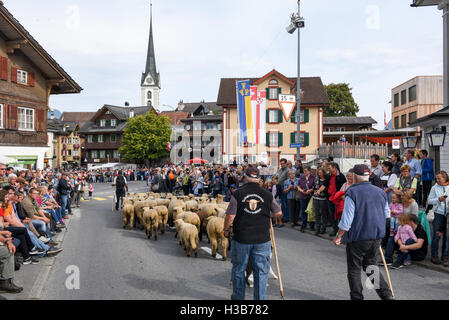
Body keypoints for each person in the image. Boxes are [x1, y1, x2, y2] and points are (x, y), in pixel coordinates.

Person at [333, 164, 393, 300]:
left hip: (358, 237)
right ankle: (385, 294)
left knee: (354, 269)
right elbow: (386, 215)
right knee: (371, 266)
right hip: (376, 236)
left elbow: (346, 220)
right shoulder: (380, 192)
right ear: (369, 175)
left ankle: (357, 297)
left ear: (354, 176)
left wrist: (339, 236)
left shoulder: (352, 193)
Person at [224, 167, 282, 300]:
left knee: (239, 269)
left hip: (242, 238)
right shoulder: (267, 195)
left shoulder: (238, 194)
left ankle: (239, 298)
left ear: (245, 178)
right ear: (259, 179)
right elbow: (278, 213)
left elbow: (230, 216)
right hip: (262, 239)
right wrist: (268, 213)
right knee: (261, 272)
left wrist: (226, 229)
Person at [427, 171, 449, 265]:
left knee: (447, 237)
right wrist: (438, 199)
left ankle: (445, 256)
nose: (437, 180)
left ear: (445, 178)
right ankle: (434, 256)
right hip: (438, 214)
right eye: (436, 178)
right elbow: (429, 201)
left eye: (439, 178)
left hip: (448, 214)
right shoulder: (434, 187)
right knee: (437, 235)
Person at [327, 163, 347, 237]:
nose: (328, 170)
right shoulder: (329, 176)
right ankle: (335, 229)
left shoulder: (340, 176)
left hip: (338, 199)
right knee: (332, 215)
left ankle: (341, 232)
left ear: (334, 168)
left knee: (339, 215)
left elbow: (344, 187)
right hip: (330, 198)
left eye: (329, 168)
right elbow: (326, 185)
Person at [298, 166, 315, 232]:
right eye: (304, 170)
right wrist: (301, 190)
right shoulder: (302, 177)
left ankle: (312, 225)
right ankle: (304, 224)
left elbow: (315, 186)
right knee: (303, 210)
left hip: (310, 196)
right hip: (303, 196)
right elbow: (298, 185)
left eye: (305, 170)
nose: (304, 172)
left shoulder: (313, 177)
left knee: (311, 211)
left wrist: (310, 190)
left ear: (309, 171)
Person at [313, 168, 329, 235]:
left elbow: (327, 189)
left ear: (324, 173)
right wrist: (315, 187)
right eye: (318, 173)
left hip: (323, 198)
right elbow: (313, 187)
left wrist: (320, 190)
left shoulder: (326, 180)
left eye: (321, 173)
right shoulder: (316, 179)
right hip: (315, 198)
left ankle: (323, 228)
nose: (319, 174)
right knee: (317, 213)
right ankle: (318, 228)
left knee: (323, 213)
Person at [275, 159, 290, 224]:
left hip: (284, 188)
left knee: (285, 204)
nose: (282, 165)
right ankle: (283, 216)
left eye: (283, 163)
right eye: (281, 163)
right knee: (282, 204)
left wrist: (286, 188)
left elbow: (288, 181)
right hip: (279, 188)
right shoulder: (280, 170)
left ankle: (286, 217)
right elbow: (276, 176)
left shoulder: (288, 170)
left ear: (286, 163)